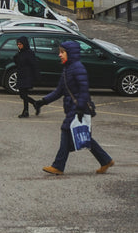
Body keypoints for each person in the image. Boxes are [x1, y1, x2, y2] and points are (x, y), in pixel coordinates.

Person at [34, 40, 114, 176]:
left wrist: (80, 108)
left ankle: (58, 166)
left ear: (70, 53)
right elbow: (59, 90)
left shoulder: (78, 68)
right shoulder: (67, 69)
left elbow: (84, 90)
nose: (59, 55)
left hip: (78, 107)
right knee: (83, 136)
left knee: (66, 131)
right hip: (74, 107)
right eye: (60, 52)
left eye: (62, 52)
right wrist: (42, 101)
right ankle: (106, 160)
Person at [13, 36, 39, 118]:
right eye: (18, 44)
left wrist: (36, 76)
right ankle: (35, 103)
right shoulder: (20, 52)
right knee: (22, 94)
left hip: (27, 75)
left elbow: (34, 65)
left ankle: (26, 111)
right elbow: (17, 62)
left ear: (24, 44)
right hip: (21, 75)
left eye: (20, 44)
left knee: (24, 94)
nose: (19, 46)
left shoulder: (29, 53)